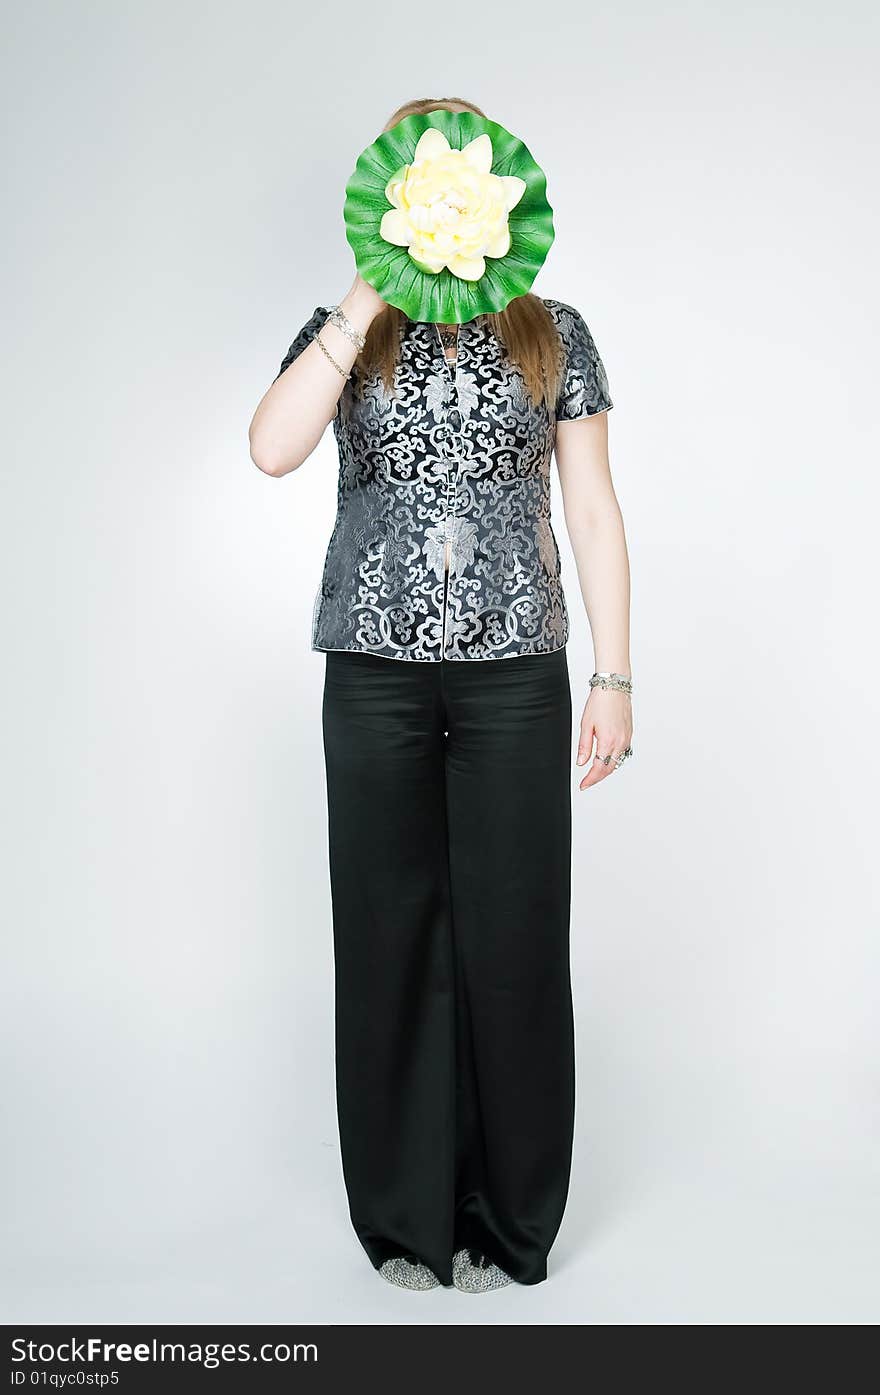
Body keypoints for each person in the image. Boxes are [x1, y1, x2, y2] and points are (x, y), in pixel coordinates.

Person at [248, 95, 633, 1294]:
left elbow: (593, 508)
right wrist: (366, 288)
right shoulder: (345, 331)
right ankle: (407, 1221)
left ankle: (508, 1222)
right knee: (387, 936)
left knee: (515, 937)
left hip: (519, 667)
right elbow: (270, 448)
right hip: (372, 670)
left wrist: (611, 673)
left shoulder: (553, 332)